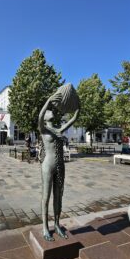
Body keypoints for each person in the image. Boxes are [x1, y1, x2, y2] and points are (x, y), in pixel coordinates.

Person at [38, 83, 80, 241]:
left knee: (59, 196)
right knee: (46, 196)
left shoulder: (59, 130)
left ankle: (56, 224)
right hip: (47, 166)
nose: (51, 112)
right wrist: (48, 101)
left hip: (60, 166)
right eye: (49, 111)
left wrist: (77, 104)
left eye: (51, 110)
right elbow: (40, 116)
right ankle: (44, 227)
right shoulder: (43, 129)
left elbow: (75, 117)